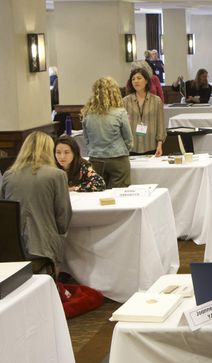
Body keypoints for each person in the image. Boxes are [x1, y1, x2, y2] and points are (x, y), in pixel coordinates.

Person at [1, 132, 72, 268]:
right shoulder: (57, 175)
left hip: (11, 249)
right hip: (43, 248)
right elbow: (63, 220)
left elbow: (4, 211)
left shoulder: (8, 175)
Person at [81, 77, 133, 188]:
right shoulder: (120, 112)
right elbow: (128, 139)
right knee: (119, 194)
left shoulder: (87, 114)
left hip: (96, 159)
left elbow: (86, 138)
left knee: (98, 192)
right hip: (118, 158)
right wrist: (126, 149)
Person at [123, 66, 166, 156]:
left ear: (146, 81)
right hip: (131, 147)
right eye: (133, 79)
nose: (136, 81)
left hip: (151, 146)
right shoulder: (125, 101)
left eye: (139, 78)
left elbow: (160, 125)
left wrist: (159, 145)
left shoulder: (156, 100)